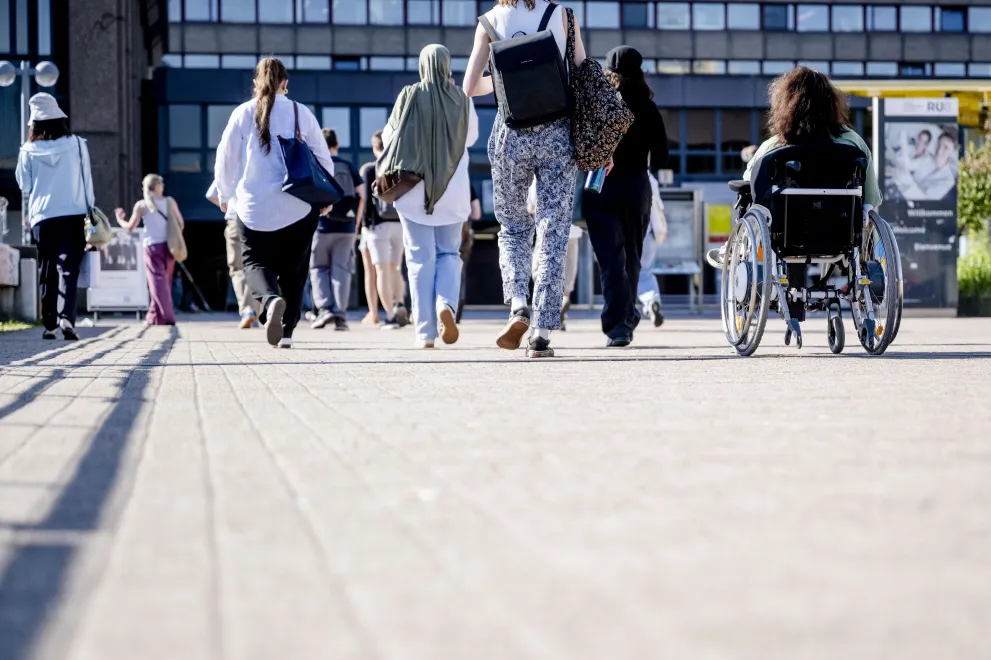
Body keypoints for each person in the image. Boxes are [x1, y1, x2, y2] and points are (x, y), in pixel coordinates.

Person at [464, 0, 588, 358]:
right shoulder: (563, 15)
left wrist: (507, 77)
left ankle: (518, 304)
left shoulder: (489, 20)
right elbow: (581, 71)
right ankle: (541, 332)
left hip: (510, 133)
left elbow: (470, 87)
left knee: (514, 226)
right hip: (556, 130)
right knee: (553, 228)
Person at [707, 66, 883, 270]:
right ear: (833, 104)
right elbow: (871, 199)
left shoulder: (773, 147)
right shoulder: (854, 144)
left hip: (786, 234)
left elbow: (750, 188)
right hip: (840, 233)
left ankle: (733, 248)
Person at [214, 57, 333, 349]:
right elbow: (322, 157)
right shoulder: (300, 112)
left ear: (256, 83)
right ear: (285, 85)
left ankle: (270, 299)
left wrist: (226, 196)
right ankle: (288, 333)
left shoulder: (243, 113)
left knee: (254, 262)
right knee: (295, 270)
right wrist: (325, 197)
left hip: (254, 207)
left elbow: (225, 159)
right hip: (298, 205)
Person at [382, 44, 478, 348]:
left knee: (419, 259)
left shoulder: (408, 95)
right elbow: (471, 138)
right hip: (452, 192)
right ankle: (445, 305)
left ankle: (425, 332)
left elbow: (388, 138)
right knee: (449, 254)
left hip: (413, 194)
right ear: (447, 65)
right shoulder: (463, 99)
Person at [582, 46, 668, 347]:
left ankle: (618, 324)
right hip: (635, 187)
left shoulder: (599, 105)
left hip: (599, 185)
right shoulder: (647, 106)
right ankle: (625, 321)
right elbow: (661, 155)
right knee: (632, 256)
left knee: (609, 259)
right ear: (639, 71)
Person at [14, 93, 91, 340]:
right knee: (69, 269)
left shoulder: (27, 150)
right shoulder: (78, 144)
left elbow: (24, 185)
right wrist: (90, 212)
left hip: (43, 217)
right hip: (74, 213)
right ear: (59, 118)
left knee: (47, 270)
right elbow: (87, 182)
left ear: (34, 123)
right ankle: (67, 318)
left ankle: (49, 325)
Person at [310, 128, 364, 331]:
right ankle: (340, 316)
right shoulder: (348, 166)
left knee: (319, 268)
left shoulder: (318, 165)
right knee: (341, 271)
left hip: (322, 228)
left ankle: (324, 310)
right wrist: (356, 223)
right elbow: (363, 195)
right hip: (347, 228)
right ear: (337, 144)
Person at [114, 174, 183, 326]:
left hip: (152, 246)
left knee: (156, 282)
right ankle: (154, 316)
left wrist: (119, 219)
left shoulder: (141, 205)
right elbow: (180, 223)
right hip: (169, 246)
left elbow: (130, 227)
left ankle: (167, 316)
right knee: (165, 282)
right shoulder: (170, 202)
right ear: (159, 186)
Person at [359, 130, 410, 329]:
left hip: (377, 225)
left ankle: (390, 315)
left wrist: (364, 225)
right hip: (399, 224)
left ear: (374, 147)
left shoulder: (370, 168)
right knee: (395, 268)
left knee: (381, 270)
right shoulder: (400, 166)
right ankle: (400, 305)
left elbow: (365, 199)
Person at [526, 179, 581, 330]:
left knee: (540, 268)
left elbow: (532, 206)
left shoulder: (539, 175)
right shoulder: (574, 171)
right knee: (569, 267)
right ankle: (564, 300)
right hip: (573, 227)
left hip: (548, 228)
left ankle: (551, 308)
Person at [207, 181, 260, 328]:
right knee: (255, 266)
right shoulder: (259, 163)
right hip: (256, 222)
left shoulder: (230, 167)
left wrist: (228, 207)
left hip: (235, 222)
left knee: (237, 269)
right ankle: (252, 311)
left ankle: (247, 311)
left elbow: (210, 195)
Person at [636, 172, 667, 327]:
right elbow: (659, 205)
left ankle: (646, 303)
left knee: (626, 272)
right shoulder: (650, 177)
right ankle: (652, 301)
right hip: (649, 232)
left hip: (627, 232)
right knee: (645, 271)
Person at [456, 184, 482, 322]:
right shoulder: (467, 185)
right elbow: (477, 214)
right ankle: (457, 310)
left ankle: (442, 305)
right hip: (463, 234)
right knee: (460, 272)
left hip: (442, 229)